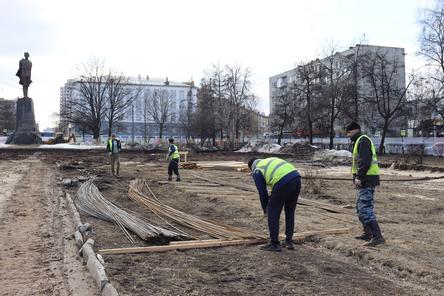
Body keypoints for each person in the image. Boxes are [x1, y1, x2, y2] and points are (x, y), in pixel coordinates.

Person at [248, 157, 301, 252]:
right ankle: (289, 241)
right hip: (296, 178)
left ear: (251, 167)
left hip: (283, 180)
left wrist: (266, 209)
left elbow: (262, 193)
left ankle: (274, 243)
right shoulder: (268, 161)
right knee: (290, 211)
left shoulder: (257, 170)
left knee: (272, 211)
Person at [346, 122, 385, 247]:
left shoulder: (363, 140)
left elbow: (365, 160)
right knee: (360, 207)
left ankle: (377, 236)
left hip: (367, 179)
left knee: (365, 208)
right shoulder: (359, 140)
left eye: (350, 132)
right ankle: (367, 233)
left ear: (356, 130)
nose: (348, 135)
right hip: (366, 179)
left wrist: (359, 177)